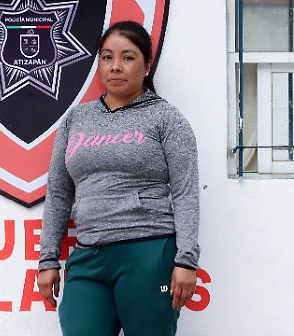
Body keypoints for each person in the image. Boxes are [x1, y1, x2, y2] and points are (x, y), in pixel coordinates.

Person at [37, 21, 201, 336]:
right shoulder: (77, 119)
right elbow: (58, 193)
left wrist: (186, 261)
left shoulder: (166, 119)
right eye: (107, 57)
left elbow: (185, 193)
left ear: (147, 66)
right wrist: (48, 259)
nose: (115, 67)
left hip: (149, 252)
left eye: (127, 58)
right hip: (88, 257)